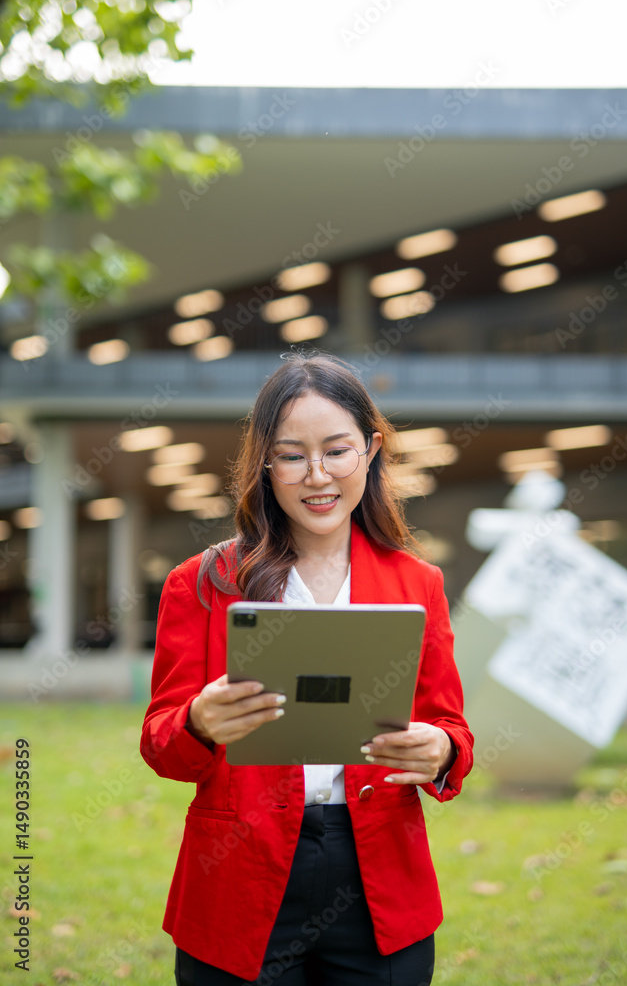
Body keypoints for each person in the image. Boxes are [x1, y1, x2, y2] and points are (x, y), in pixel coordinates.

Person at [141, 349, 474, 986]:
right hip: (241, 871)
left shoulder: (416, 584)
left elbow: (451, 729)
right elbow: (162, 746)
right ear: (264, 462)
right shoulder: (205, 583)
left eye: (337, 450)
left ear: (370, 451)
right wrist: (199, 722)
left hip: (376, 875)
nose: (317, 476)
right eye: (292, 455)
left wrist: (440, 750)